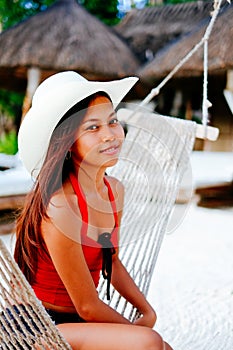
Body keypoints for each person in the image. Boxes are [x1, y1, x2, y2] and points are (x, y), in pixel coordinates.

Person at [14, 71, 173, 350]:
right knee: (149, 343)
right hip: (39, 325)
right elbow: (87, 306)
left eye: (113, 122)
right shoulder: (62, 206)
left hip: (78, 320)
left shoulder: (113, 191)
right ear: (67, 143)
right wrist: (132, 329)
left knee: (158, 345)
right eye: (93, 128)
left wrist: (147, 311)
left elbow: (111, 261)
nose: (110, 135)